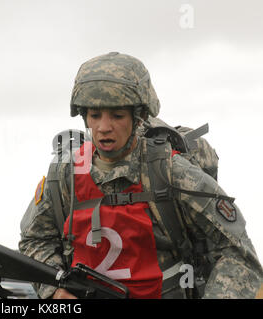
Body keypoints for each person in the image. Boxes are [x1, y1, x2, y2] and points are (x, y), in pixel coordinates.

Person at [18, 52, 263, 299]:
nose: (103, 127)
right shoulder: (65, 174)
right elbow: (35, 240)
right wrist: (55, 291)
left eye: (117, 115)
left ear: (139, 117)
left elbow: (237, 253)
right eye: (95, 115)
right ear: (84, 116)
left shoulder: (171, 173)